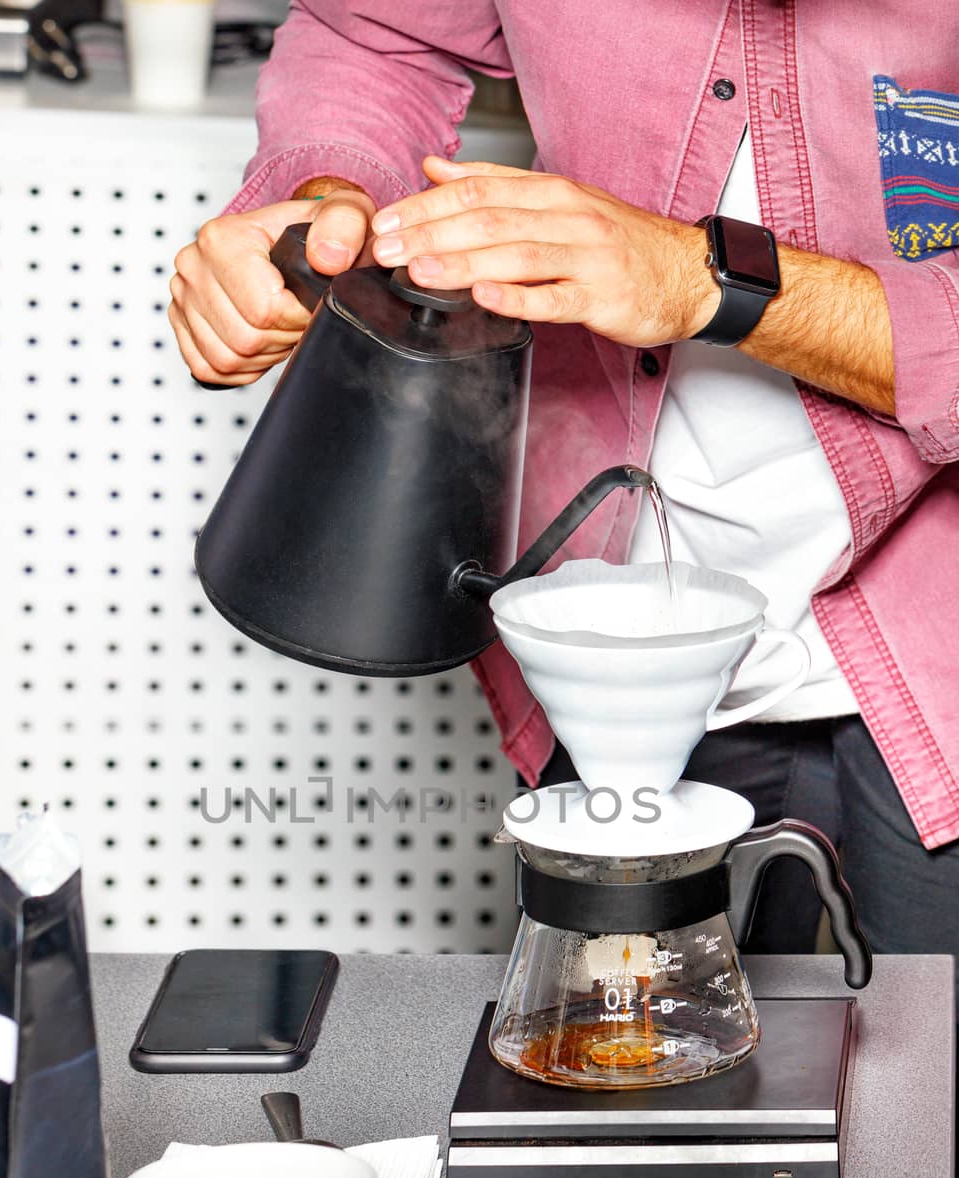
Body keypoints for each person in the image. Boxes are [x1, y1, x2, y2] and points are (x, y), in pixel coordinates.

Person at [169, 2, 959, 977]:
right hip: (612, 625)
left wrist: (710, 281)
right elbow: (381, 34)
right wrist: (331, 193)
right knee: (638, 1094)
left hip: (937, 629)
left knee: (934, 1109)